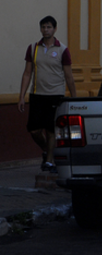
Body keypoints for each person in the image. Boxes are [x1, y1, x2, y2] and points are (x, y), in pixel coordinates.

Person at [18, 16, 77, 173]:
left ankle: (49, 162)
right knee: (34, 130)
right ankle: (48, 150)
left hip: (55, 95)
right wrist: (21, 96)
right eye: (43, 27)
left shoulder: (62, 50)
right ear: (40, 29)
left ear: (55, 29)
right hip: (37, 94)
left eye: (49, 27)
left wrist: (74, 96)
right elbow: (27, 73)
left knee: (51, 130)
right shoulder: (33, 48)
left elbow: (69, 76)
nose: (46, 30)